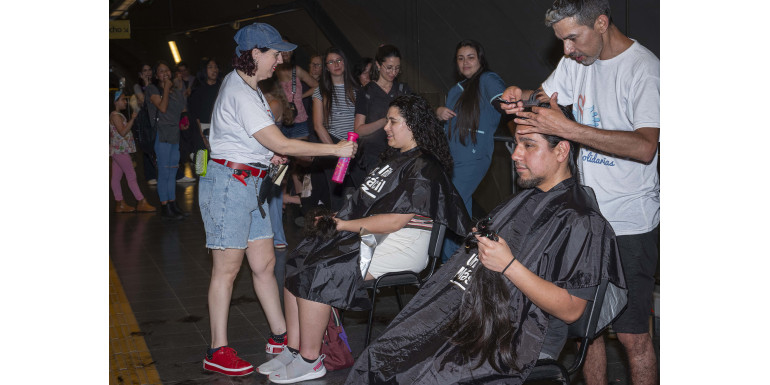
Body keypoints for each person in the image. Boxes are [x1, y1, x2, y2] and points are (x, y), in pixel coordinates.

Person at [345, 105, 626, 384]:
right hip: (481, 316)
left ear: (562, 151)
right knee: (386, 353)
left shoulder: (583, 221)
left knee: (426, 372)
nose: (515, 155)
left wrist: (509, 265)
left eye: (528, 145)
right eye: (516, 144)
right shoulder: (525, 199)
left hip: (521, 336)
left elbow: (571, 309)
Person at [499, 1, 660, 384]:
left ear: (601, 23)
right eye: (562, 41)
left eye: (572, 38)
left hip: (627, 223)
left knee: (632, 337)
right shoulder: (578, 61)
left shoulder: (644, 70)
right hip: (584, 220)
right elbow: (544, 97)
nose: (567, 50)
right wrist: (519, 95)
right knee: (584, 335)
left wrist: (569, 129)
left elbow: (645, 147)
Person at [257, 95, 469, 384]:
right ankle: (294, 350)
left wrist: (343, 224)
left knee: (320, 268)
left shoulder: (425, 167)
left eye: (394, 121)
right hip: (377, 237)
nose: (386, 127)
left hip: (400, 245)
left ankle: (310, 359)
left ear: (415, 126)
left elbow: (396, 221)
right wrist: (339, 218)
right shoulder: (398, 160)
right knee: (299, 258)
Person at [198, 22, 357, 377]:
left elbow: (251, 138)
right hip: (229, 186)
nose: (281, 59)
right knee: (226, 270)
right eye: (274, 53)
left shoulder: (250, 87)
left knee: (265, 263)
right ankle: (217, 349)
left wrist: (264, 156)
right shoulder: (240, 91)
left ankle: (281, 336)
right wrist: (335, 148)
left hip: (252, 183)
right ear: (255, 54)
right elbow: (282, 142)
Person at [435, 39, 505, 263]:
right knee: (459, 211)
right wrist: (438, 113)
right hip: (453, 160)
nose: (465, 62)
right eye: (460, 58)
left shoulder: (487, 80)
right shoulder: (456, 90)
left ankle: (449, 262)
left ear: (480, 59)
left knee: (448, 207)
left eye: (470, 57)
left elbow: (504, 102)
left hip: (473, 158)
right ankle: (464, 261)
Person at [352, 45, 411, 186]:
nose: (393, 72)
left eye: (397, 68)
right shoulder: (366, 92)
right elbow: (358, 130)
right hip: (374, 155)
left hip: (399, 153)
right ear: (378, 65)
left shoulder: (403, 90)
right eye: (389, 67)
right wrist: (385, 121)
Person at [311, 47, 358, 211]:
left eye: (339, 60)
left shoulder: (356, 88)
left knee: (360, 191)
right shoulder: (320, 91)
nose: (336, 64)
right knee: (336, 194)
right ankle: (338, 232)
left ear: (344, 62)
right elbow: (318, 125)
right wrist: (335, 150)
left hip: (355, 144)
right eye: (331, 62)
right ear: (326, 67)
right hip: (332, 143)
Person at [146, 60, 189, 220]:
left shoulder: (175, 91)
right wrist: (165, 88)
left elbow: (181, 110)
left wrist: (184, 121)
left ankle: (173, 203)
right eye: (161, 71)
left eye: (167, 70)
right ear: (157, 75)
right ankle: (165, 207)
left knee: (172, 172)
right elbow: (162, 108)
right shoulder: (153, 89)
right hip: (161, 135)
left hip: (174, 135)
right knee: (164, 172)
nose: (165, 73)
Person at [109, 90, 156, 213]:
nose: (125, 102)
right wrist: (132, 119)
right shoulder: (115, 116)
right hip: (120, 152)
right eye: (123, 99)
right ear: (116, 102)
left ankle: (120, 203)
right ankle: (141, 201)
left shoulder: (117, 115)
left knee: (116, 178)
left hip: (118, 151)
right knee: (131, 176)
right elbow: (123, 132)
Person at [187, 57, 222, 149]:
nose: (214, 70)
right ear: (204, 70)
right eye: (210, 67)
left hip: (220, 130)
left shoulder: (222, 88)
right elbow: (195, 116)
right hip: (202, 130)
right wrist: (202, 137)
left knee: (219, 162)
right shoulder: (197, 90)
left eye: (216, 67)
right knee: (202, 162)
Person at [132, 63, 157, 185]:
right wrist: (147, 85)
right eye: (145, 70)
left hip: (157, 119)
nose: (148, 72)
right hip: (145, 121)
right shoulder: (138, 86)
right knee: (147, 148)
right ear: (141, 74)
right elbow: (143, 100)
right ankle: (150, 176)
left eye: (149, 70)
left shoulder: (157, 84)